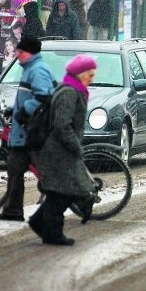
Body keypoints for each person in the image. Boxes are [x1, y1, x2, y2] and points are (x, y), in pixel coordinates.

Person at [28, 54, 97, 246]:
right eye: (89, 74)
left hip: (61, 149)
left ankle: (39, 223)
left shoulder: (74, 89)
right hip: (58, 150)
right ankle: (52, 234)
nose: (92, 78)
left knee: (60, 192)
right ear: (79, 73)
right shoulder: (69, 92)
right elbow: (62, 125)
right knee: (62, 193)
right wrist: (75, 145)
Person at [0, 36, 56, 222]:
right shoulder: (29, 70)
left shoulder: (38, 70)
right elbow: (28, 96)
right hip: (25, 132)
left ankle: (77, 200)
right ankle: (12, 211)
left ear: (30, 52)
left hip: (34, 132)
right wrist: (15, 110)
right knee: (15, 168)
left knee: (47, 175)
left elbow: (44, 96)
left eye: (20, 52)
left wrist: (24, 111)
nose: (17, 54)